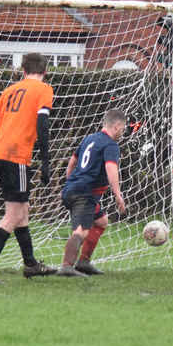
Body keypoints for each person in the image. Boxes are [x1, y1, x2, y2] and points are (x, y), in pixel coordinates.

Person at [0, 53, 56, 284]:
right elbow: (42, 124)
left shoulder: (9, 91)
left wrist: (1, 147)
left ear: (23, 70)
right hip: (16, 155)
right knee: (15, 214)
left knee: (23, 210)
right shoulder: (43, 89)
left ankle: (30, 264)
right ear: (45, 71)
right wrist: (46, 161)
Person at [57, 109, 127, 277]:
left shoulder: (89, 138)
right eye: (123, 129)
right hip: (84, 193)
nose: (122, 133)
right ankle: (67, 267)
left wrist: (70, 182)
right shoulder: (110, 145)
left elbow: (72, 161)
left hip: (73, 189)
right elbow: (111, 168)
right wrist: (118, 195)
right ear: (116, 126)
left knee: (101, 222)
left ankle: (84, 262)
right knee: (81, 231)